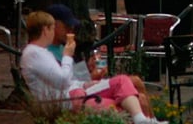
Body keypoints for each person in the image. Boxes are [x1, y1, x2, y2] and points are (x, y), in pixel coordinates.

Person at [20, 11, 165, 124]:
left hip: (77, 91)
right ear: (46, 30)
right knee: (125, 104)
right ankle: (140, 118)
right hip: (68, 100)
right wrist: (67, 56)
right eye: (52, 29)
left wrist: (86, 83)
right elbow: (62, 81)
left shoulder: (42, 52)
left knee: (122, 81)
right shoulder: (34, 54)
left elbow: (67, 79)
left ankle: (141, 119)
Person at [45, 5, 153, 117]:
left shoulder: (65, 47)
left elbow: (82, 78)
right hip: (76, 94)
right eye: (67, 26)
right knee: (141, 99)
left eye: (72, 27)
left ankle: (153, 120)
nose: (71, 30)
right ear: (54, 25)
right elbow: (65, 83)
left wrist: (93, 74)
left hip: (85, 86)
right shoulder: (47, 53)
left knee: (136, 81)